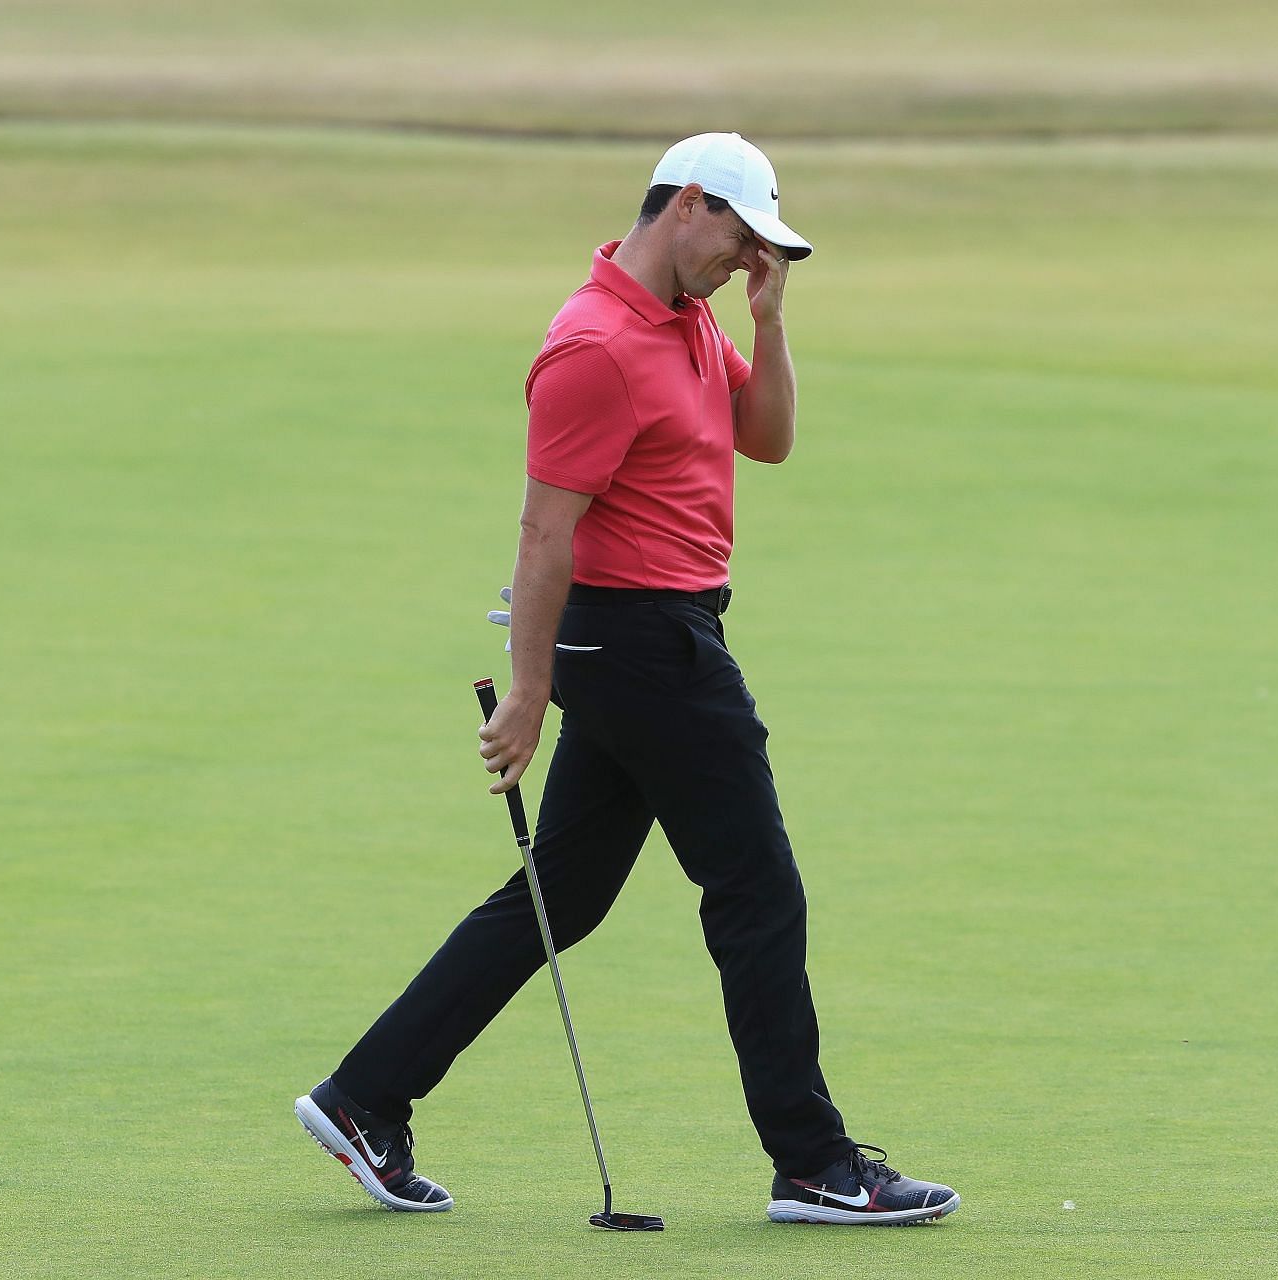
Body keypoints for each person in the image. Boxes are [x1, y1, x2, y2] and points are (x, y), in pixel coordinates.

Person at [294, 133, 959, 1226]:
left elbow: (770, 440)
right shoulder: (595, 345)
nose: (747, 258)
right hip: (649, 649)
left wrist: (769, 321)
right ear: (688, 205)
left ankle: (364, 1095)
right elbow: (544, 532)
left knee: (558, 897)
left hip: (648, 639)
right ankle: (815, 1162)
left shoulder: (689, 316)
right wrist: (524, 691)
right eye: (741, 236)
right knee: (755, 887)